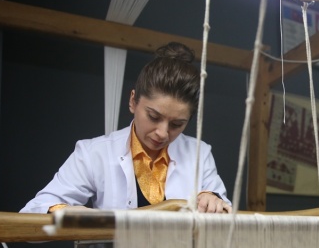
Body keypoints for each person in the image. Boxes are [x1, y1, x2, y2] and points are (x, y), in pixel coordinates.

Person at [21, 42, 231, 214]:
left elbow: (224, 213)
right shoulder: (94, 153)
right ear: (133, 101)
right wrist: (67, 212)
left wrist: (213, 200)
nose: (162, 133)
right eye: (153, 116)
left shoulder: (200, 154)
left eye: (177, 124)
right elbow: (34, 211)